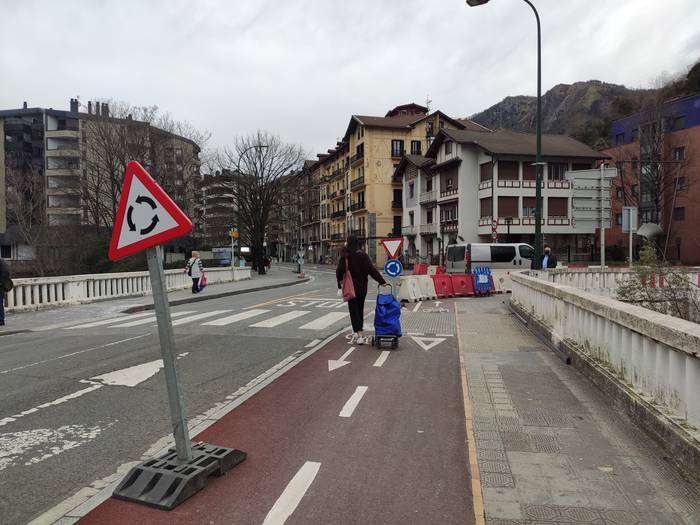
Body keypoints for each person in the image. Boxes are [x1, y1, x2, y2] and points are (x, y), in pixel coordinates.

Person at [336, 235, 386, 345]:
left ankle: (359, 334)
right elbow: (372, 271)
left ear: (348, 243)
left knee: (354, 311)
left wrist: (340, 287)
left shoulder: (345, 256)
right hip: (362, 288)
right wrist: (382, 282)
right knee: (360, 309)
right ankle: (360, 331)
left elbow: (339, 272)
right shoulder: (363, 256)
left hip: (350, 288)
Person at [0, 258, 10, 326]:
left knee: (0, 303)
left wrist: (0, 282)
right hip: (1, 286)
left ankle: (1, 320)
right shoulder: (2, 263)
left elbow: (5, 273)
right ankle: (1, 319)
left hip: (0, 287)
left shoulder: (1, 263)